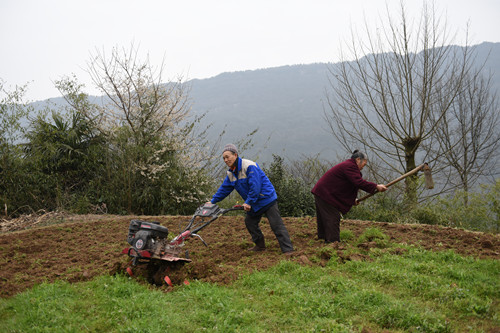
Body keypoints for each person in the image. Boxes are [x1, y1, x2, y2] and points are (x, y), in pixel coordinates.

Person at [209, 144, 294, 254]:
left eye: (227, 157)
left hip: (266, 199)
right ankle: (260, 246)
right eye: (224, 158)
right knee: (250, 222)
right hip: (254, 203)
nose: (225, 160)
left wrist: (248, 202)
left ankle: (288, 250)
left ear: (235, 155)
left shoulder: (249, 166)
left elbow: (256, 186)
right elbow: (224, 189)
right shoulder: (231, 173)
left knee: (276, 224)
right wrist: (212, 202)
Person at [311, 150, 387, 243]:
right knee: (332, 218)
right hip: (325, 193)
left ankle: (324, 238)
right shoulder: (350, 166)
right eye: (364, 163)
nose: (364, 166)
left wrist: (352, 200)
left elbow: (346, 186)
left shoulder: (349, 166)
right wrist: (376, 186)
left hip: (323, 192)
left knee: (326, 217)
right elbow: (358, 182)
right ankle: (333, 243)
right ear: (358, 159)